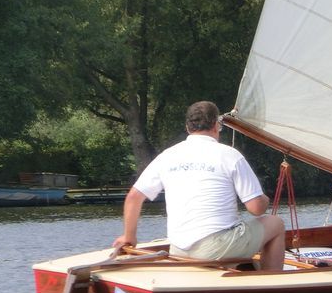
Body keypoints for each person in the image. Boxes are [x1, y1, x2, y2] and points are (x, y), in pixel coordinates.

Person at [112, 101, 286, 270]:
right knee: (275, 223)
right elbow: (256, 209)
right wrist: (264, 199)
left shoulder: (167, 156)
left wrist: (129, 236)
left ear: (188, 128)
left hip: (179, 251)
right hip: (216, 249)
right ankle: (272, 282)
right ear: (216, 125)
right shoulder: (230, 155)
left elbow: (134, 197)